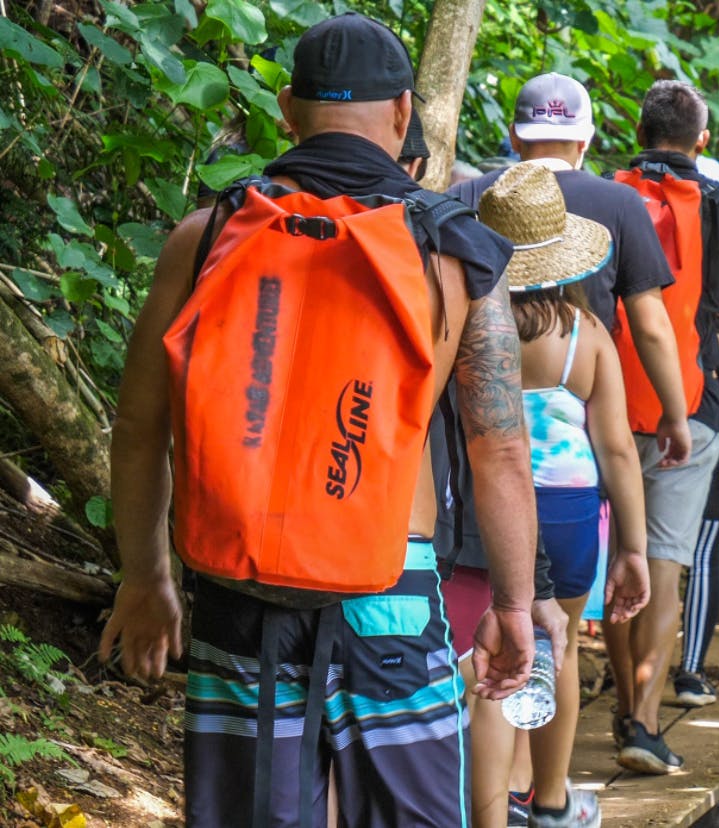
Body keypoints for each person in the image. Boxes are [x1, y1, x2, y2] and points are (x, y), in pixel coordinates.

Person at [98, 14, 546, 826]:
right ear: (404, 115)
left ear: (285, 110)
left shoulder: (204, 238)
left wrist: (146, 577)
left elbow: (137, 431)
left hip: (238, 582)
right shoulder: (454, 253)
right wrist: (514, 607)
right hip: (391, 589)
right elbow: (501, 452)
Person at [441, 71, 681, 796]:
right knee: (557, 650)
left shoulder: (465, 323)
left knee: (487, 657)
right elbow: (615, 450)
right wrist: (633, 547)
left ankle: (496, 797)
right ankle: (548, 798)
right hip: (573, 507)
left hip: (481, 503)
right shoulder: (587, 334)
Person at [593, 83, 719, 712]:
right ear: (701, 142)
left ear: (638, 130)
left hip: (600, 406)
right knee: (662, 567)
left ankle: (625, 699)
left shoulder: (601, 195)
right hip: (693, 408)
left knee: (618, 561)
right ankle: (643, 722)